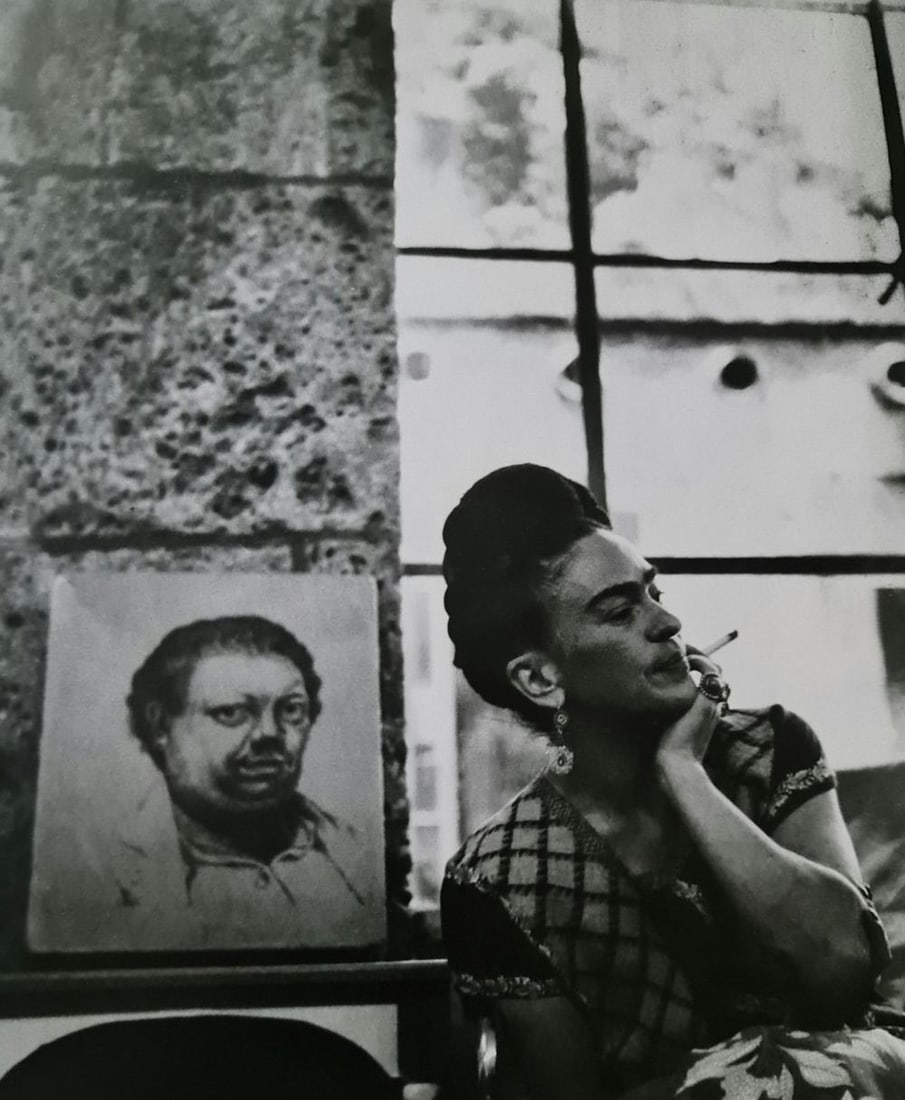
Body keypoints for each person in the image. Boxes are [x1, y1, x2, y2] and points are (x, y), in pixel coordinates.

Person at [440, 464, 905, 1099]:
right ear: (541, 680)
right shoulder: (498, 877)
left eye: (653, 592)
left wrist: (684, 772)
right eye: (619, 611)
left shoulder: (766, 748)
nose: (666, 623)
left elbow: (844, 975)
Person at [107, 614, 374, 949]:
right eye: (232, 712)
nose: (270, 735)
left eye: (291, 710)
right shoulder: (104, 871)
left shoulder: (353, 855)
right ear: (161, 726)